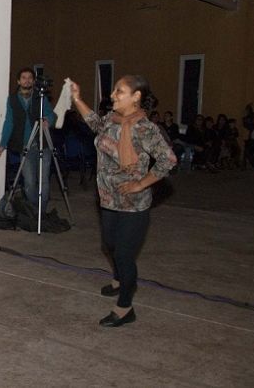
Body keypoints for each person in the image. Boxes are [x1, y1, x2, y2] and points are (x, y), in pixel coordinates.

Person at [70, 75, 176, 327]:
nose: (112, 95)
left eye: (120, 91)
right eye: (114, 90)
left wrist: (140, 183)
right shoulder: (112, 119)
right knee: (109, 244)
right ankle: (118, 278)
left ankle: (125, 307)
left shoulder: (145, 129)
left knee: (125, 255)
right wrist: (76, 99)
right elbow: (95, 123)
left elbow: (168, 160)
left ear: (136, 97)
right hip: (107, 199)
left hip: (133, 204)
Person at [0, 67, 57, 210]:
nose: (27, 80)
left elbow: (51, 114)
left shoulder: (40, 97)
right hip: (25, 146)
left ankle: (41, 212)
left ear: (34, 81)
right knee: (29, 183)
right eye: (24, 78)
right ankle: (34, 210)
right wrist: (2, 144)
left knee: (43, 181)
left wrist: (48, 120)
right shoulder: (12, 100)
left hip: (43, 144)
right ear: (18, 81)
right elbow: (9, 122)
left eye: (30, 78)